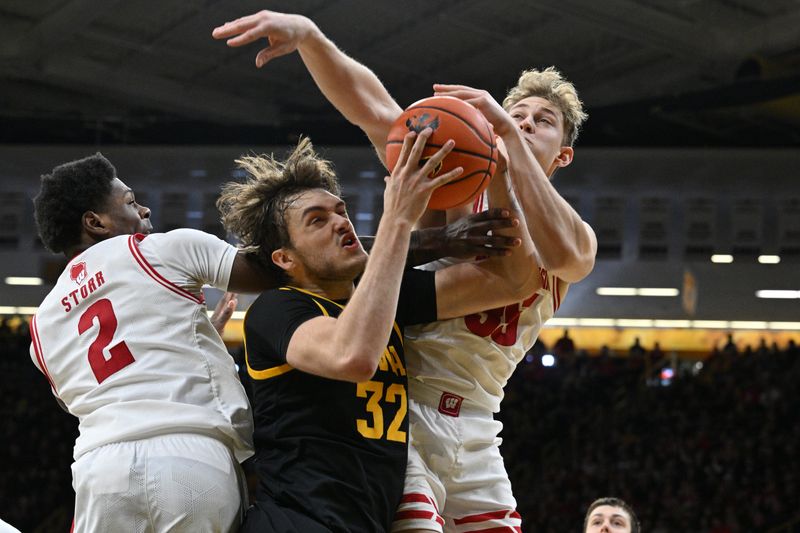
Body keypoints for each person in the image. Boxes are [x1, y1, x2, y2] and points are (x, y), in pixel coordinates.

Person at [213, 9, 597, 531]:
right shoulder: (457, 191)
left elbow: (562, 259)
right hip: (403, 411)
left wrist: (506, 135)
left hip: (481, 423)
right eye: (518, 115)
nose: (526, 123)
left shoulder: (569, 233)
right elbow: (377, 113)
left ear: (564, 155)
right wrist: (311, 38)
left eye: (542, 121)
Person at [29, 151, 522, 532]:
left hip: (98, 468)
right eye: (131, 201)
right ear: (95, 222)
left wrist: (197, 341)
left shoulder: (41, 325)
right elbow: (285, 266)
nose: (146, 207)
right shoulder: (160, 249)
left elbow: (101, 386)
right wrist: (430, 238)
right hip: (191, 456)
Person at [216, 132, 538, 533]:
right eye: (317, 220)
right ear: (285, 258)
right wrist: (398, 221)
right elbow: (353, 356)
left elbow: (514, 284)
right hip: (295, 523)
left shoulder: (386, 300)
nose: (340, 222)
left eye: (340, 211)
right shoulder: (277, 310)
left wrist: (498, 171)